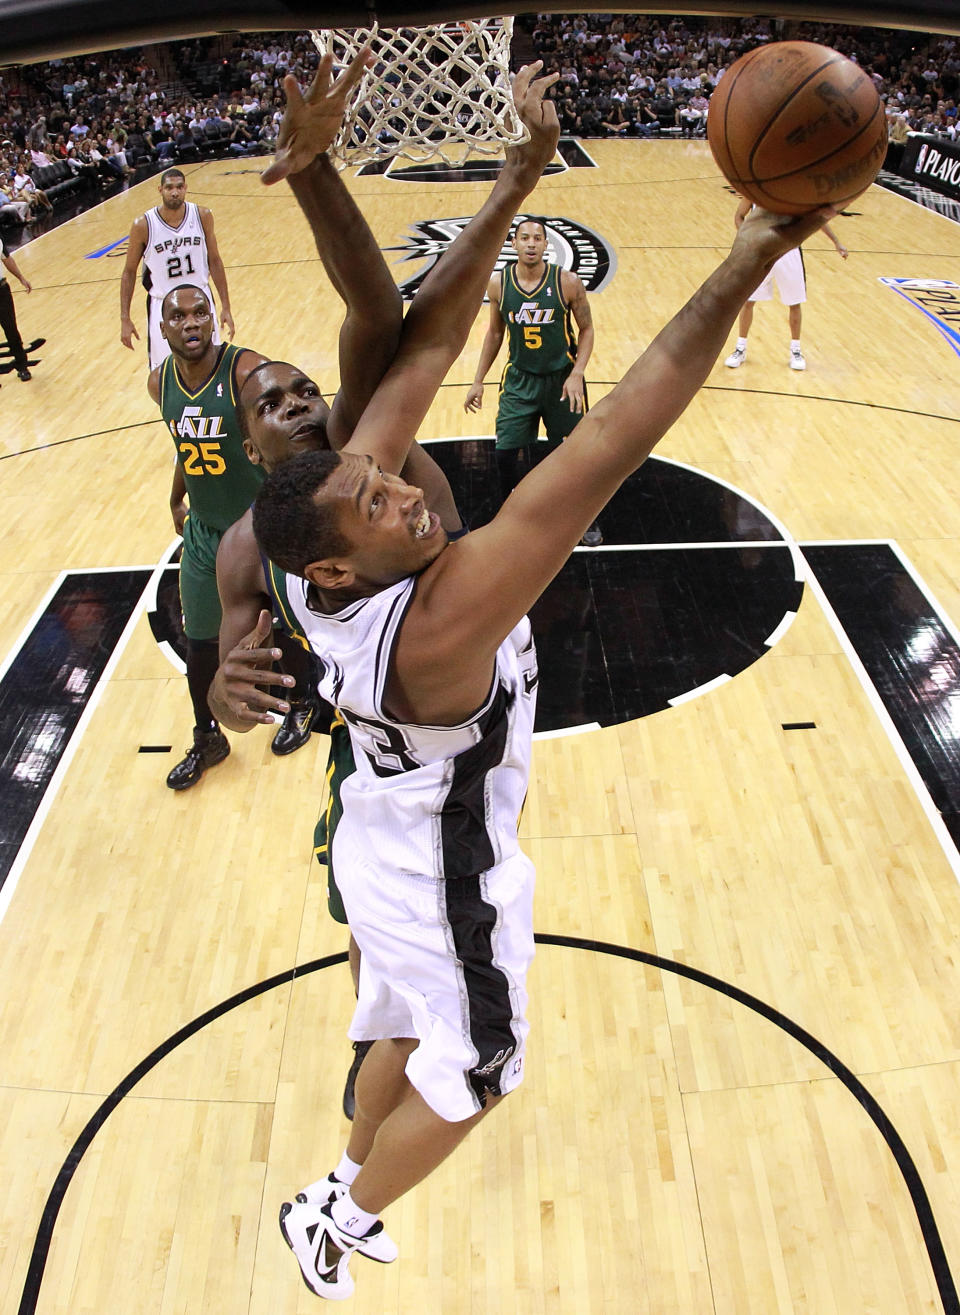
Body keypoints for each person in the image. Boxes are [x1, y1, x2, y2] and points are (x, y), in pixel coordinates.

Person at [211, 58, 567, 1301]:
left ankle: (350, 1162)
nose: (308, 403)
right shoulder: (275, 539)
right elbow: (398, 324)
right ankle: (350, 1195)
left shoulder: (340, 485)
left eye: (308, 388)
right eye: (279, 402)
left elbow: (383, 312)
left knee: (402, 1005)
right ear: (254, 446)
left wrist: (316, 173)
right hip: (390, 782)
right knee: (439, 1020)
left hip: (388, 769)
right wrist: (217, 691)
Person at [148, 285, 319, 787]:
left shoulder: (246, 372)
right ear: (164, 329)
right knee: (199, 641)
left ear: (213, 318)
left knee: (287, 624)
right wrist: (176, 496)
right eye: (178, 316)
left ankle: (303, 704)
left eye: (200, 311)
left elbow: (292, 429)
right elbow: (187, 441)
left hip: (262, 524)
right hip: (205, 532)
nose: (191, 322)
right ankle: (208, 737)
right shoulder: (160, 384)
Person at [464, 215, 602, 545]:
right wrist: (478, 380)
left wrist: (578, 372)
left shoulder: (567, 282)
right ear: (513, 244)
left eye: (537, 238)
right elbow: (495, 333)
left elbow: (587, 330)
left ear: (545, 244)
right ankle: (515, 510)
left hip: (562, 381)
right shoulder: (499, 284)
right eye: (524, 238)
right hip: (519, 380)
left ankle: (583, 517)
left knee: (573, 456)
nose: (530, 243)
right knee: (505, 454)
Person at [120, 166, 234, 371]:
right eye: (169, 187)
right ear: (160, 190)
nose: (174, 192)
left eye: (179, 187)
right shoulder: (143, 225)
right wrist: (125, 318)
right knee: (165, 371)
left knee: (212, 366)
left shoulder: (203, 215)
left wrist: (226, 306)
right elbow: (129, 272)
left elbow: (215, 261)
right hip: (164, 305)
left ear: (186, 188)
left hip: (200, 299)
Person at [724, 196, 849, 372]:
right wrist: (745, 237)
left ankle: (796, 351)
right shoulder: (754, 192)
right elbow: (739, 215)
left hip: (789, 252)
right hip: (761, 251)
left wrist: (836, 242)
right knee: (749, 301)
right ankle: (740, 348)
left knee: (794, 302)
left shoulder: (792, 192)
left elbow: (817, 220)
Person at [0, 238, 35, 381]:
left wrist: (21, 277)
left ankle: (22, 366)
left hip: (1, 290)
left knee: (11, 329)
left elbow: (6, 259)